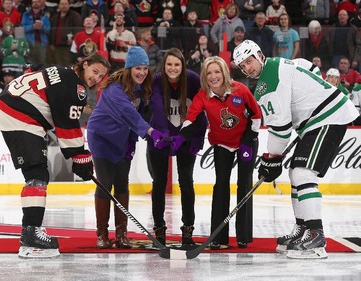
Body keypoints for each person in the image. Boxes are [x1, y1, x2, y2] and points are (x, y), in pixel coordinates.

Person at [233, 39, 359, 259]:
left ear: (260, 55)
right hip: (317, 120)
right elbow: (310, 67)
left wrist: (271, 159)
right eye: (243, 66)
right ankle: (302, 229)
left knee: (302, 172)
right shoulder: (277, 64)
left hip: (328, 116)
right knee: (295, 172)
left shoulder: (267, 81)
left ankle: (315, 236)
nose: (248, 68)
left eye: (249, 61)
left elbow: (281, 128)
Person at [0, 54, 111, 258]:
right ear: (85, 65)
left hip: (10, 110)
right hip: (20, 117)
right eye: (95, 72)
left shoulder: (61, 71)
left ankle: (31, 231)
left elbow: (32, 72)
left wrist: (78, 156)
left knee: (36, 174)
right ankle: (31, 234)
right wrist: (81, 157)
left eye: (101, 76)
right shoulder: (76, 88)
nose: (96, 79)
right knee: (37, 174)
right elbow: (67, 127)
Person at [172, 56, 262, 249]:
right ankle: (218, 236)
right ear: (205, 76)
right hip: (222, 143)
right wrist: (181, 136)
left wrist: (250, 139)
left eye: (217, 72)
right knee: (221, 185)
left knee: (244, 185)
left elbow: (256, 114)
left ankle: (243, 235)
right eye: (209, 73)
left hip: (245, 141)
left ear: (224, 73)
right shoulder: (203, 96)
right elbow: (191, 117)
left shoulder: (240, 90)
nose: (213, 76)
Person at [87, 46, 168, 249]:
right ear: (129, 68)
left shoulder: (140, 89)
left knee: (122, 182)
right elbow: (130, 115)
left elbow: (138, 117)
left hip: (122, 138)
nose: (141, 72)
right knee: (105, 183)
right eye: (137, 68)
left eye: (144, 68)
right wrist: (150, 133)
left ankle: (121, 234)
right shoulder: (115, 90)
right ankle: (102, 234)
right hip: (101, 138)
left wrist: (132, 142)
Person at [147, 48, 208, 246]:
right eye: (169, 64)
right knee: (159, 182)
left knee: (186, 182)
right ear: (164, 66)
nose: (173, 68)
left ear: (183, 66)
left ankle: (188, 230)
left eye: (177, 64)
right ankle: (159, 229)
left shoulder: (192, 80)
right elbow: (157, 109)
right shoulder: (157, 80)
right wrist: (164, 136)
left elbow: (200, 110)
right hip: (161, 137)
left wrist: (194, 136)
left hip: (186, 138)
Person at [21, 0, 51, 64]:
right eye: (34, 1)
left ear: (41, 3)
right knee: (30, 63)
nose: (36, 3)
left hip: (42, 43)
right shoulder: (25, 14)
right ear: (31, 3)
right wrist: (33, 26)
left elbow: (48, 30)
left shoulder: (45, 15)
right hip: (29, 43)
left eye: (37, 1)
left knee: (42, 63)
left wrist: (41, 27)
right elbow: (22, 29)